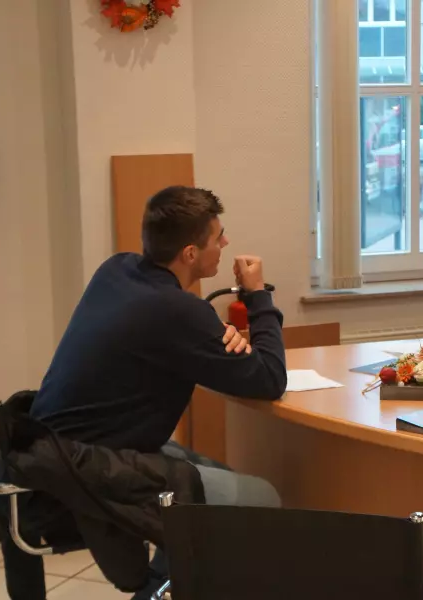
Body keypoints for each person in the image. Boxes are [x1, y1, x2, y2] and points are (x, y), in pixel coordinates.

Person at [20, 186, 288, 599]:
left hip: (54, 450)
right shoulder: (179, 312)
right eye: (218, 237)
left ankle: (169, 583)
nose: (226, 243)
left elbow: (172, 334)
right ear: (190, 254)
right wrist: (257, 295)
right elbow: (270, 379)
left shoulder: (117, 270)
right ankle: (160, 591)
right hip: (87, 466)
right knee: (262, 497)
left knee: (213, 476)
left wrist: (210, 334)